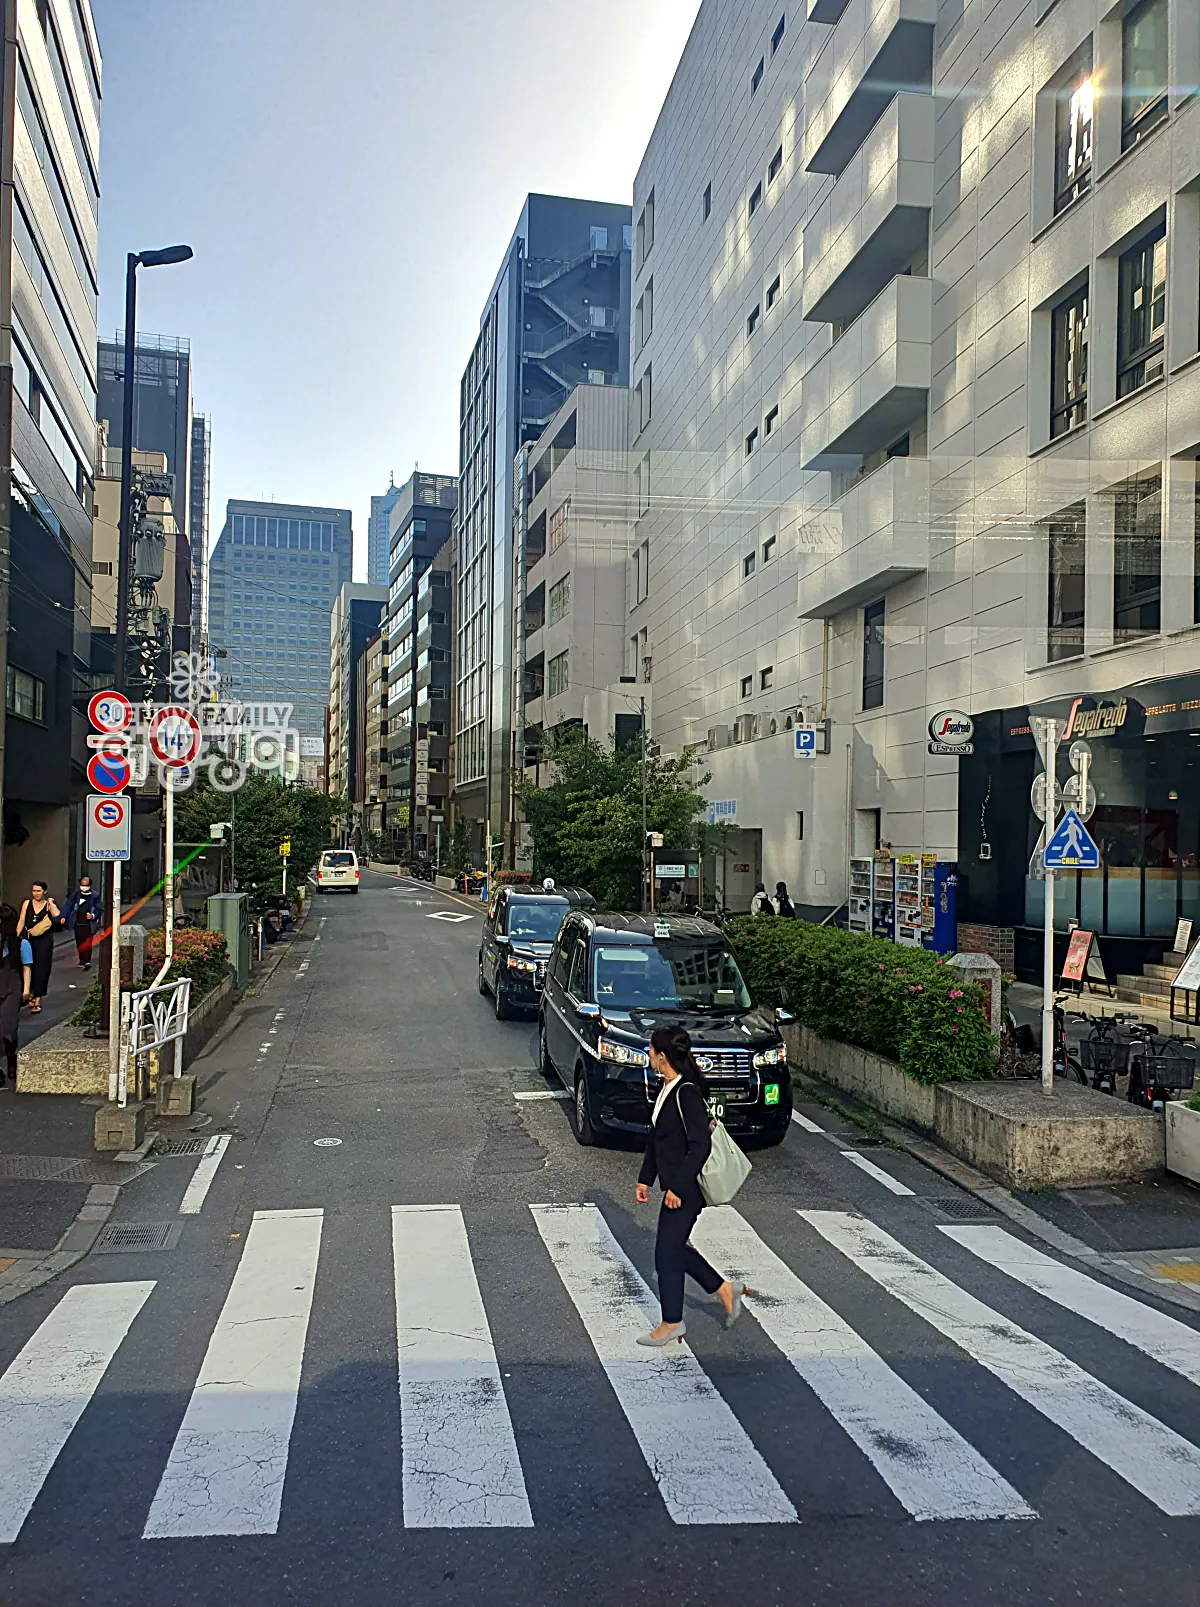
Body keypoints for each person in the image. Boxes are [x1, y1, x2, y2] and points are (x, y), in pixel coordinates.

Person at [634, 1026, 747, 1346]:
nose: (649, 1055)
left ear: (663, 1057)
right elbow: (658, 1139)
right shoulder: (667, 1087)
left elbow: (700, 1146)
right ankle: (725, 1290)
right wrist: (646, 1177)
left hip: (687, 1189)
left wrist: (677, 1188)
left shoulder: (686, 1092)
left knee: (666, 1253)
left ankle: (672, 1322)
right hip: (675, 1186)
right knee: (672, 1250)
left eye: (652, 1051)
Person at [0, 904, 32, 1086]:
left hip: (12, 988)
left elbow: (26, 967)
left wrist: (26, 990)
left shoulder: (21, 943)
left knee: (7, 1027)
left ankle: (12, 1062)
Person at [18, 880, 59, 1013]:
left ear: (44, 891)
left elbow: (57, 915)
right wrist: (16, 937)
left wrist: (51, 903)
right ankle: (28, 993)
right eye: (34, 891)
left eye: (38, 891)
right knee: (28, 965)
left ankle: (37, 999)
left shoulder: (48, 905)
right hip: (28, 939)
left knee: (42, 968)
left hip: (44, 941)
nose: (36, 893)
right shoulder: (27, 904)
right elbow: (22, 921)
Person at [61, 875, 101, 969]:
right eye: (82, 885)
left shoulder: (95, 896)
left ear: (90, 885)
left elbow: (99, 909)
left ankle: (87, 960)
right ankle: (81, 959)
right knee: (79, 941)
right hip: (78, 922)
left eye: (86, 885)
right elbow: (68, 906)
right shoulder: (75, 895)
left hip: (89, 924)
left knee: (88, 942)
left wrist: (93, 916)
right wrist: (63, 917)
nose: (84, 887)